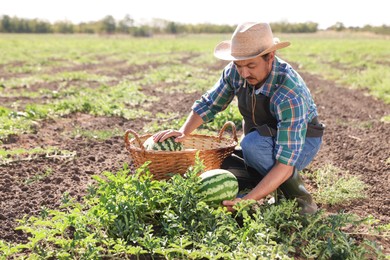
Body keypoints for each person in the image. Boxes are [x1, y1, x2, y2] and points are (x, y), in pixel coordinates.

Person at [153, 22, 325, 214]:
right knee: (226, 161)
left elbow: (285, 164)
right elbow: (210, 103)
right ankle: (260, 181)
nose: (244, 73)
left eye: (251, 65)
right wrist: (183, 132)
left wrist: (247, 200)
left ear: (270, 57)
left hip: (303, 141)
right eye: (239, 65)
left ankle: (300, 201)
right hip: (262, 136)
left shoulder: (289, 93)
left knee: (253, 146)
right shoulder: (236, 71)